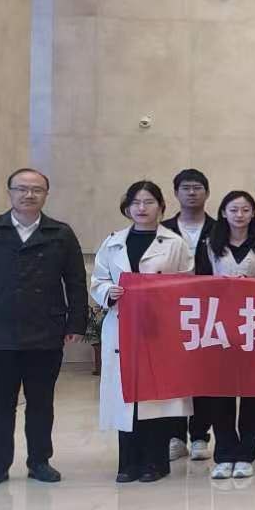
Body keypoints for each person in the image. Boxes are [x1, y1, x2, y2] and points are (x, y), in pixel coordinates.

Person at [0, 167, 88, 488]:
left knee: (41, 402)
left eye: (36, 189)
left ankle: (39, 461)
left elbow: (75, 282)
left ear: (46, 195)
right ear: (10, 192)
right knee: (0, 403)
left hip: (46, 330)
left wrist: (76, 322)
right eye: (22, 189)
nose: (29, 195)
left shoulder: (60, 233)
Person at [90, 181, 194, 483]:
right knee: (127, 397)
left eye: (149, 202)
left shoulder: (174, 243)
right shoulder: (113, 243)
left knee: (155, 398)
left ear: (161, 206)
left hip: (159, 328)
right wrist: (109, 292)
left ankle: (155, 462)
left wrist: (164, 295)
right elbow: (98, 280)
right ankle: (128, 462)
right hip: (122, 326)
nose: (142, 208)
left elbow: (187, 283)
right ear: (127, 207)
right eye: (136, 202)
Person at [195, 189, 255, 478]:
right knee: (220, 392)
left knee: (252, 392)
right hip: (218, 326)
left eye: (246, 210)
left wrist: (253, 286)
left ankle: (247, 451)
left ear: (253, 213)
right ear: (223, 212)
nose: (239, 215)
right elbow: (198, 283)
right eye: (233, 209)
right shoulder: (209, 245)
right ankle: (224, 453)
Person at [163, 167, 213, 460]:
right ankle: (174, 435)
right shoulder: (162, 230)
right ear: (176, 193)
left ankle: (200, 436)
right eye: (186, 188)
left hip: (208, 314)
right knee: (174, 377)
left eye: (197, 188)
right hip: (171, 313)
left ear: (207, 193)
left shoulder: (219, 229)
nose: (192, 193)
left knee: (204, 377)